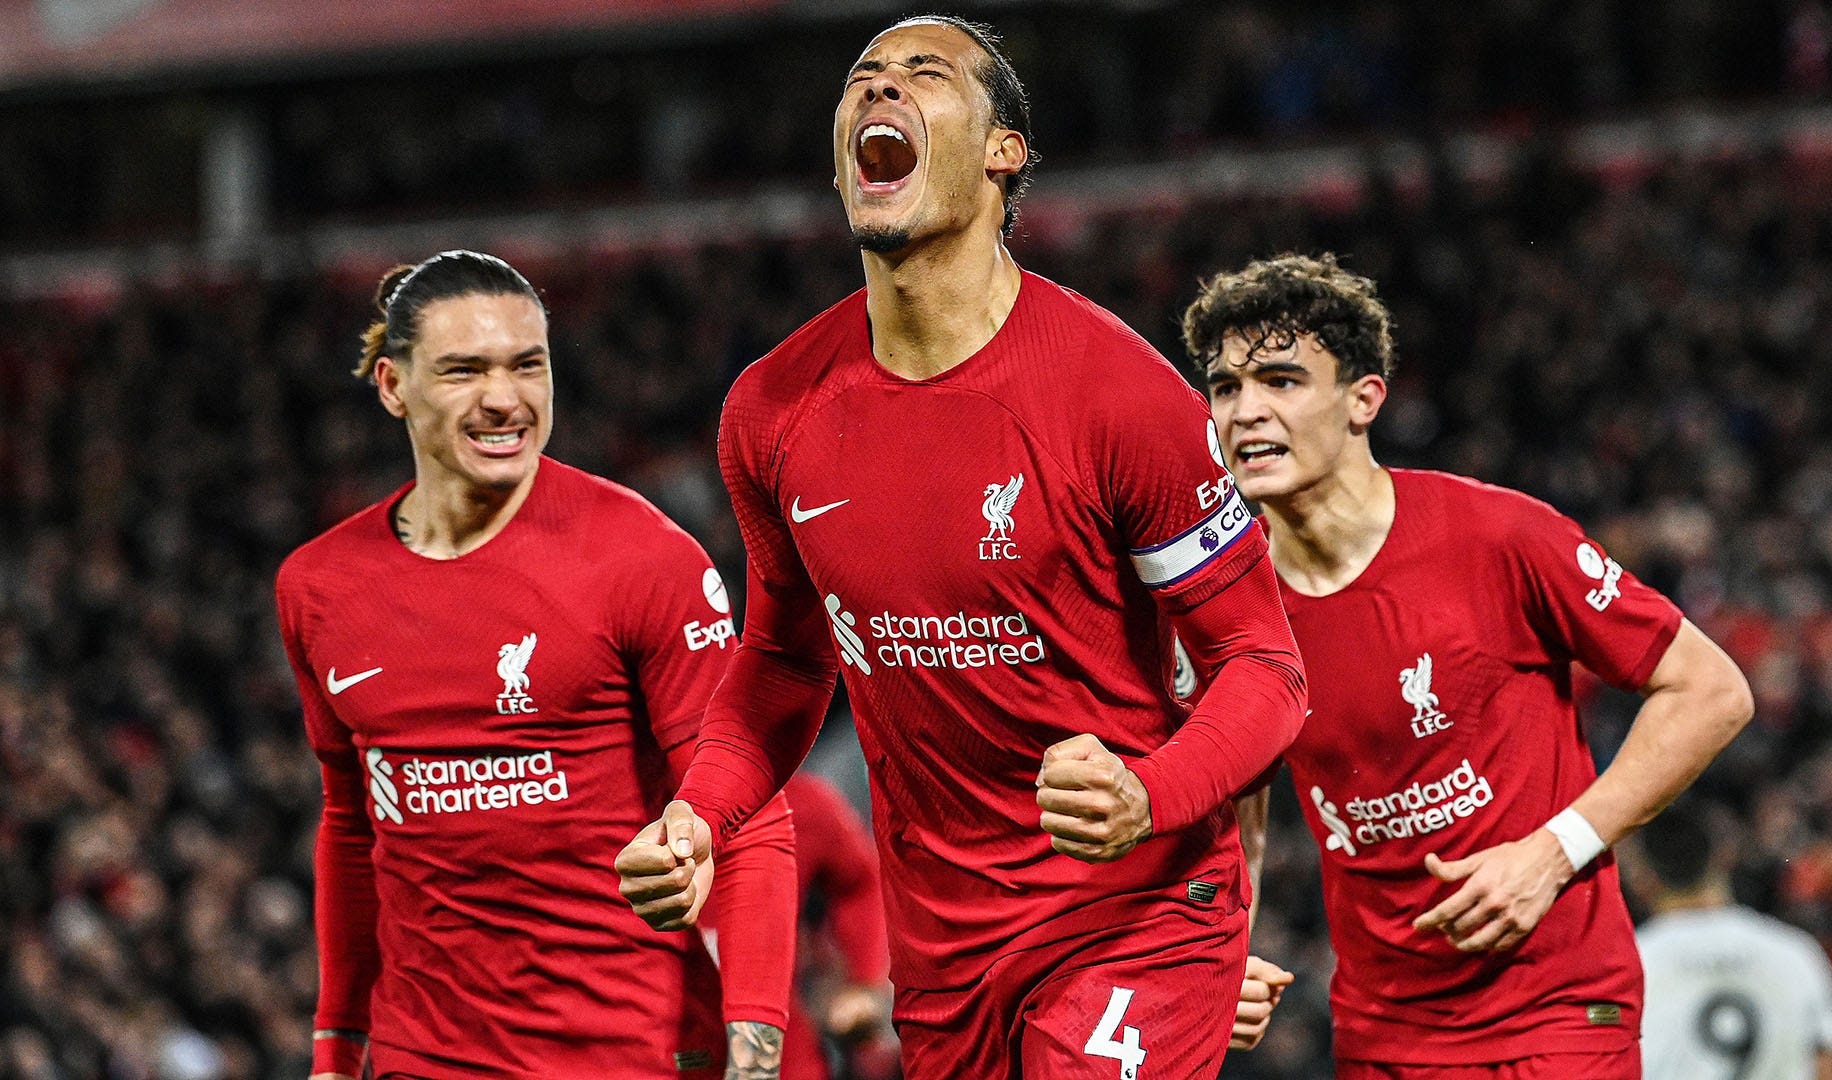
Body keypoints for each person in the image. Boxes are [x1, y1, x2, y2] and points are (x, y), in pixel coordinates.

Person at [614, 16, 1311, 1078]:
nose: (879, 93)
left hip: (1132, 912)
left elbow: (1265, 669)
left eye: (923, 75)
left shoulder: (1116, 399)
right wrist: (700, 814)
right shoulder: (772, 411)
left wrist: (1149, 796)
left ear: (1003, 152)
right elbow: (786, 662)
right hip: (942, 949)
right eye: (863, 81)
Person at [1181, 251, 1755, 1078]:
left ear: (1363, 400)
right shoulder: (1232, 605)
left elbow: (1711, 691)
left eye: (1281, 380)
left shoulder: (1496, 538)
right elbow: (1238, 793)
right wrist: (1219, 947)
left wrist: (1555, 851)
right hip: (1383, 1033)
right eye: (1226, 388)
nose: (1246, 411)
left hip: (1556, 1015)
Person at [276, 250, 797, 1079]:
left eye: (528, 365)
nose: (504, 399)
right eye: (463, 370)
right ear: (392, 386)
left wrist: (754, 1056)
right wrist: (337, 1049)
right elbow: (349, 828)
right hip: (422, 1054)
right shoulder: (318, 588)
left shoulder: (642, 560)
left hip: (628, 1052)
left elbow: (752, 820)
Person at [1632, 801, 1832, 1080]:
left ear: (1642, 878)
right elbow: (1828, 1065)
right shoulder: (1795, 952)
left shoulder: (1632, 965)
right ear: (1723, 857)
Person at [781, 770, 897, 1080]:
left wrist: (864, 983)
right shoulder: (643, 815)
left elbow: (860, 883)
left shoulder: (794, 803)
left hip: (785, 1053)